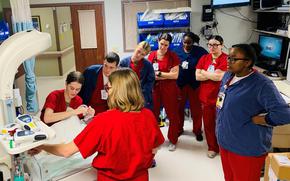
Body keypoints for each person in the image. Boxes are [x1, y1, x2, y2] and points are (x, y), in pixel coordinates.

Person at [32, 69, 165, 181]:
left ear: (117, 91)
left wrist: (42, 146)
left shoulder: (103, 121)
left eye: (109, 87)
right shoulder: (148, 115)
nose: (107, 91)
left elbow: (66, 151)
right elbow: (155, 146)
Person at [216, 43, 290, 181]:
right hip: (226, 142)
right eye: (228, 58)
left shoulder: (262, 84)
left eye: (233, 59)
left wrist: (261, 120)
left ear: (247, 62)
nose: (228, 61)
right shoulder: (228, 76)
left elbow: (284, 114)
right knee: (229, 178)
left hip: (246, 148)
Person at [195, 35, 227, 158]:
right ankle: (212, 147)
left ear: (221, 45)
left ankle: (223, 147)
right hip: (206, 98)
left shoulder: (226, 59)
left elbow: (220, 77)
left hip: (222, 98)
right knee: (208, 124)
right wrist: (211, 74)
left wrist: (204, 72)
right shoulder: (204, 58)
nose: (212, 47)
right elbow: (197, 76)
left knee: (222, 124)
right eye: (210, 45)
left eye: (215, 45)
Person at [148, 33, 180, 151]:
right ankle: (155, 139)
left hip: (169, 90)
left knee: (173, 115)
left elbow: (175, 75)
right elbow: (150, 75)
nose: (163, 47)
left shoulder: (173, 56)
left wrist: (160, 74)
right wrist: (167, 75)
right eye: (161, 44)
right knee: (153, 115)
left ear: (169, 45)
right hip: (155, 89)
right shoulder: (151, 55)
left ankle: (173, 140)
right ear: (158, 42)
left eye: (166, 45)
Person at [175, 32, 208, 141]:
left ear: (193, 42)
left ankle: (197, 130)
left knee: (196, 110)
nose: (186, 45)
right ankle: (179, 129)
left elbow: (207, 63)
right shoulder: (177, 51)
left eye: (189, 43)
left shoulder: (200, 51)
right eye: (184, 42)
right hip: (181, 85)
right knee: (179, 109)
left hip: (195, 85)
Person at [120, 41, 155, 110]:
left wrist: (141, 93)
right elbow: (120, 81)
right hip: (127, 97)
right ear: (135, 48)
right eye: (138, 51)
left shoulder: (148, 65)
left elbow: (150, 82)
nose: (139, 55)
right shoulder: (123, 63)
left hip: (143, 98)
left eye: (142, 54)